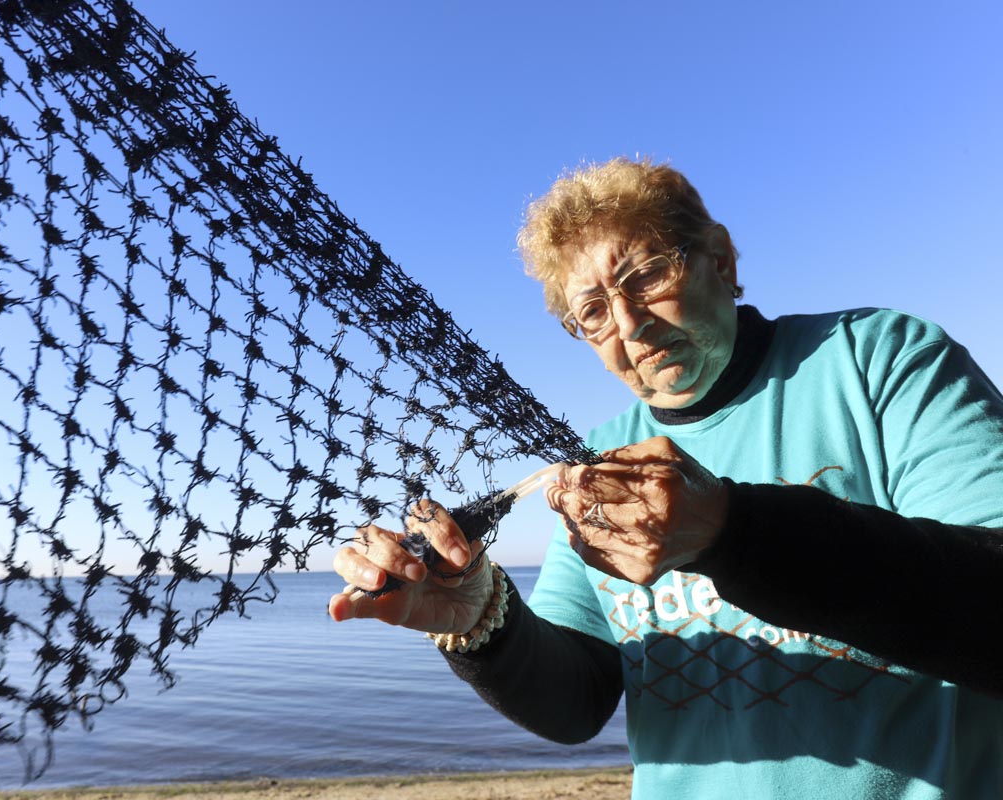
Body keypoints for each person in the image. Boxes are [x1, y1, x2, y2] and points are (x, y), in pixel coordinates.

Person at [327, 158, 1003, 799]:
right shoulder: (596, 459)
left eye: (647, 276)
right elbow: (579, 700)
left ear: (722, 260)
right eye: (591, 310)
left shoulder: (878, 360)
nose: (628, 323)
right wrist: (481, 625)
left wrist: (730, 531)